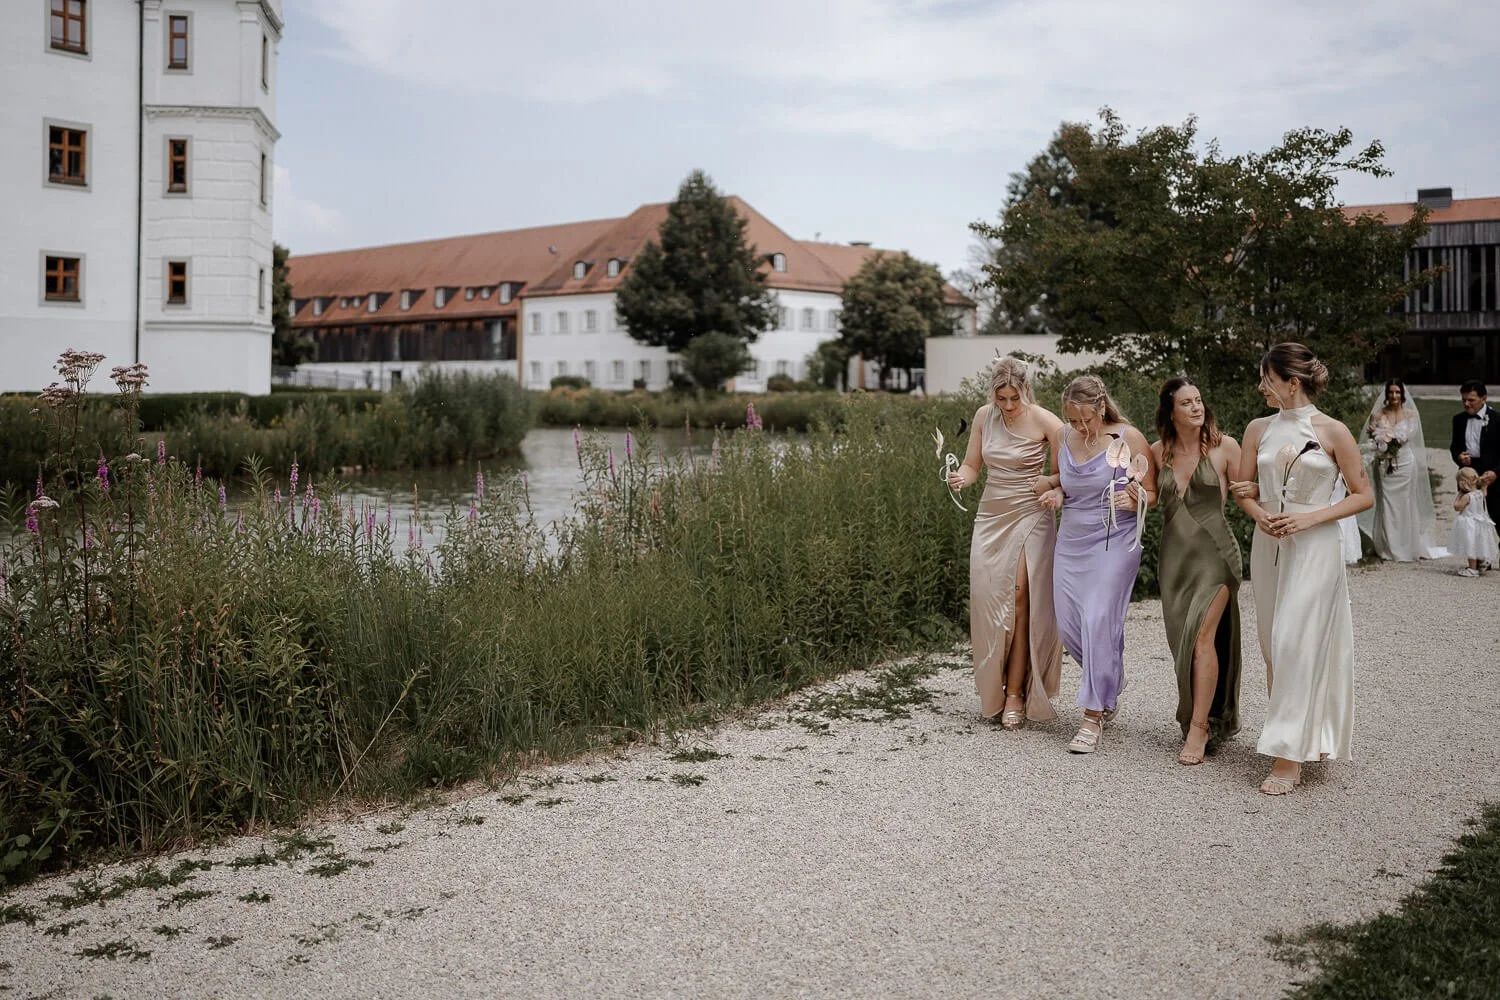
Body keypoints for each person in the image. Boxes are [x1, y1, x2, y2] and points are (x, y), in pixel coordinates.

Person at [1235, 343, 1372, 795]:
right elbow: (1244, 490)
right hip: (1269, 544)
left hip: (1314, 545)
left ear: (1291, 382)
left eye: (1266, 378)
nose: (1260, 386)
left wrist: (1309, 517)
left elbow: (1362, 495)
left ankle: (1287, 757)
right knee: (1275, 645)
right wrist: (1260, 515)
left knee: (1295, 641)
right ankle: (1297, 735)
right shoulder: (1258, 428)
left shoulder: (1333, 431)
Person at [1038, 375, 1156, 754]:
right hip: (1071, 540)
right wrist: (1055, 491)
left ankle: (1091, 717)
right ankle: (1106, 680)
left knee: (1097, 619)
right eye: (1072, 420)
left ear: (1101, 408)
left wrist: (1137, 499)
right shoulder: (1062, 438)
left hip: (1115, 538)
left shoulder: (1128, 437)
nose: (1080, 427)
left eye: (1085, 419)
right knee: (1071, 623)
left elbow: (1152, 491)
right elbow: (1067, 483)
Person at [948, 357, 1065, 728]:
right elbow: (972, 465)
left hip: (1031, 514)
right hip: (991, 514)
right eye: (1002, 398)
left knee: (1018, 598)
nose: (1009, 405)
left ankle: (1016, 692)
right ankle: (994, 689)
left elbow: (1066, 474)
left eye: (1015, 398)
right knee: (986, 600)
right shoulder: (985, 416)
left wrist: (1054, 490)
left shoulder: (1048, 422)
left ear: (1025, 391)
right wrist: (962, 478)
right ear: (993, 394)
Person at [1150, 377, 1242, 766]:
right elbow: (1150, 499)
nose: (1196, 407)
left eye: (1199, 399)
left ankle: (1199, 728)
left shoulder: (1226, 447)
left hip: (1216, 556)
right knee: (1183, 646)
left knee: (1203, 636)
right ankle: (1198, 714)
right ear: (1171, 412)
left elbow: (1248, 494)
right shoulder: (1157, 452)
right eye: (1186, 403)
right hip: (1174, 563)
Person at [1358, 378, 1444, 561]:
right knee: (1387, 504)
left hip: (1405, 463)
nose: (1394, 396)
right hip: (1383, 465)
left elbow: (1408, 438)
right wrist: (1379, 440)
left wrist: (1391, 441)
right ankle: (1387, 547)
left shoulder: (1411, 415)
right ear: (1387, 394)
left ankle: (1406, 546)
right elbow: (1371, 439)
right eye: (1391, 392)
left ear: (1402, 395)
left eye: (1397, 392)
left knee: (1405, 504)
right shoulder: (1378, 415)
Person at [1450, 381, 1500, 535]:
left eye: (1471, 400)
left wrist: (1496, 472)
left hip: (1493, 475)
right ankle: (1477, 559)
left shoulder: (1497, 419)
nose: (1466, 404)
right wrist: (1459, 457)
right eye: (1463, 400)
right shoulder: (1458, 420)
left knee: (1498, 518)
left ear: (1483, 398)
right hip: (1469, 477)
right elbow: (1454, 447)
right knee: (1471, 524)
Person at [1450, 467, 1498, 577]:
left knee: (1470, 547)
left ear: (1462, 483)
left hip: (1469, 524)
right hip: (1480, 523)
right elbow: (1485, 493)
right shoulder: (1479, 493)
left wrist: (1459, 494)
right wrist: (1485, 485)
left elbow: (1457, 507)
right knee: (1479, 544)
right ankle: (1481, 561)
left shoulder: (1467, 496)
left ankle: (1472, 569)